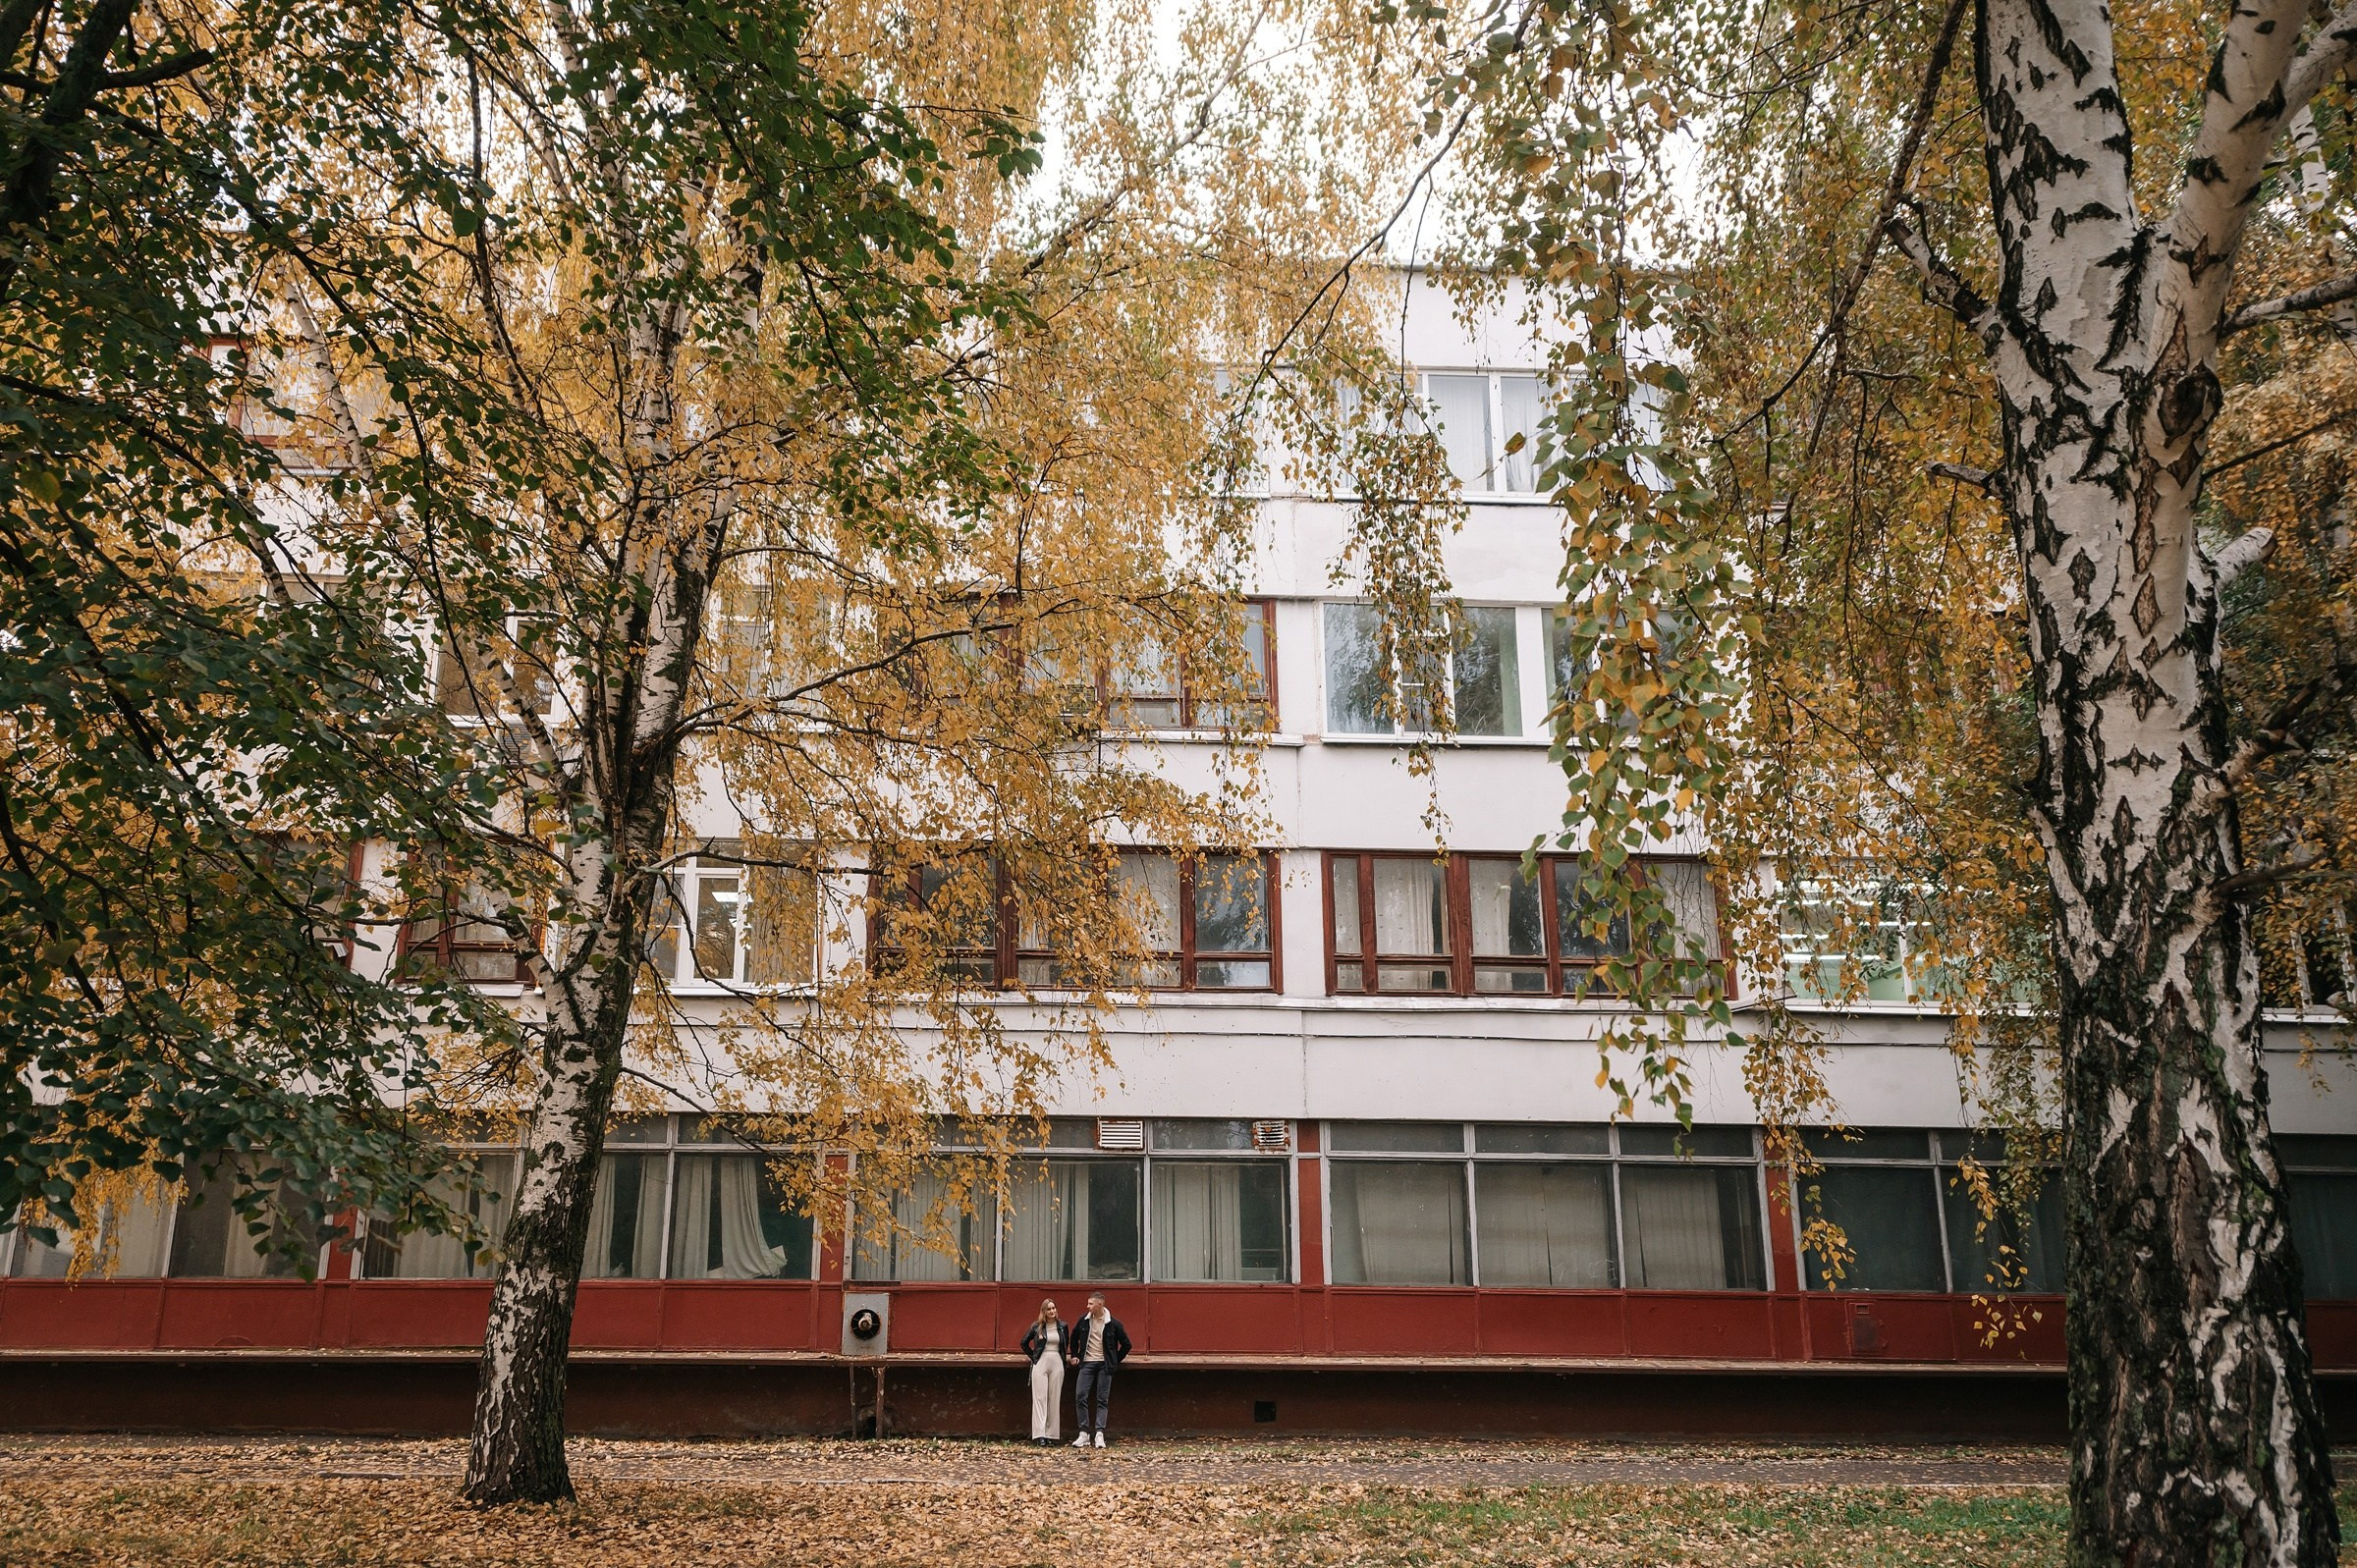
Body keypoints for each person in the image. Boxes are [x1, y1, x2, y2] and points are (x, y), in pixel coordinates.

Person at [1065, 1290, 1130, 1448]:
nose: (1087, 1306)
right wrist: (1074, 1354)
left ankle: (1099, 1434)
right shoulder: (1084, 1321)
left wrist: (1113, 1361)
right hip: (1086, 1363)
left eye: (1090, 1304)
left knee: (1102, 1400)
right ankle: (1084, 1433)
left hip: (1104, 1366)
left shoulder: (1113, 1324)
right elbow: (1073, 1337)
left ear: (1099, 1304)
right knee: (1080, 1396)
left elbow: (1127, 1344)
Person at [1018, 1298, 1067, 1444]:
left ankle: (1052, 1434)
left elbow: (1065, 1344)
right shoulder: (1037, 1326)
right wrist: (1034, 1357)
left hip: (1057, 1361)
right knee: (1040, 1398)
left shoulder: (1062, 1326)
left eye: (1054, 1308)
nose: (1052, 1311)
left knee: (1054, 1397)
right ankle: (1040, 1434)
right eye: (1049, 1309)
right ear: (1043, 1311)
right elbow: (1023, 1342)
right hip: (1041, 1360)